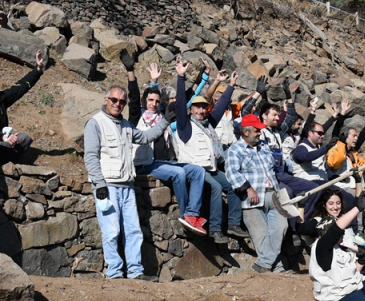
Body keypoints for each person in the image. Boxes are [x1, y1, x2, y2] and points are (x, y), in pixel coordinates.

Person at [83, 84, 176, 280]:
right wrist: (99, 185)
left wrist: (166, 120)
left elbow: (145, 136)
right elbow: (90, 156)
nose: (118, 104)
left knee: (134, 231)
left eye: (122, 101)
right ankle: (114, 273)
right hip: (107, 186)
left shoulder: (126, 125)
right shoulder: (95, 123)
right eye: (114, 100)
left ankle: (135, 271)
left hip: (127, 185)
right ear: (106, 100)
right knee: (111, 232)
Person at [125, 58, 208, 236]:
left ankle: (193, 214)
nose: (153, 104)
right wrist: (131, 71)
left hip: (164, 162)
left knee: (197, 171)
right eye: (150, 100)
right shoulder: (137, 118)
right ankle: (186, 214)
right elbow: (133, 98)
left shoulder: (163, 116)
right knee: (179, 174)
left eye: (156, 101)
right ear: (144, 101)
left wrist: (198, 76)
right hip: (145, 164)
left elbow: (185, 99)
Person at [173, 56, 244, 245]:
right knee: (216, 187)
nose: (201, 111)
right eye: (197, 107)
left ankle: (234, 223)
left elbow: (220, 108)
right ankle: (214, 229)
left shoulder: (208, 125)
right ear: (192, 109)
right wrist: (181, 78)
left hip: (210, 168)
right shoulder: (185, 125)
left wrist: (230, 86)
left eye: (204, 107)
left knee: (233, 185)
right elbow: (180, 104)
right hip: (195, 168)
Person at [225, 114, 288, 272]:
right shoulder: (235, 150)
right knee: (260, 236)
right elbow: (232, 173)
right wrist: (248, 188)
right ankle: (278, 270)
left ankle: (263, 265)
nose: (260, 133)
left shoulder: (264, 146)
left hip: (273, 193)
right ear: (246, 132)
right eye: (256, 131)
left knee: (281, 227)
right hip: (251, 197)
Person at [326, 121, 365, 249]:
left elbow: (364, 165)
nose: (356, 138)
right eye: (353, 135)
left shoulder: (353, 153)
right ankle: (358, 233)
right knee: (358, 199)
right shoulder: (335, 149)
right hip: (342, 188)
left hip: (356, 187)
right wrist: (341, 144)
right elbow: (334, 162)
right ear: (345, 137)